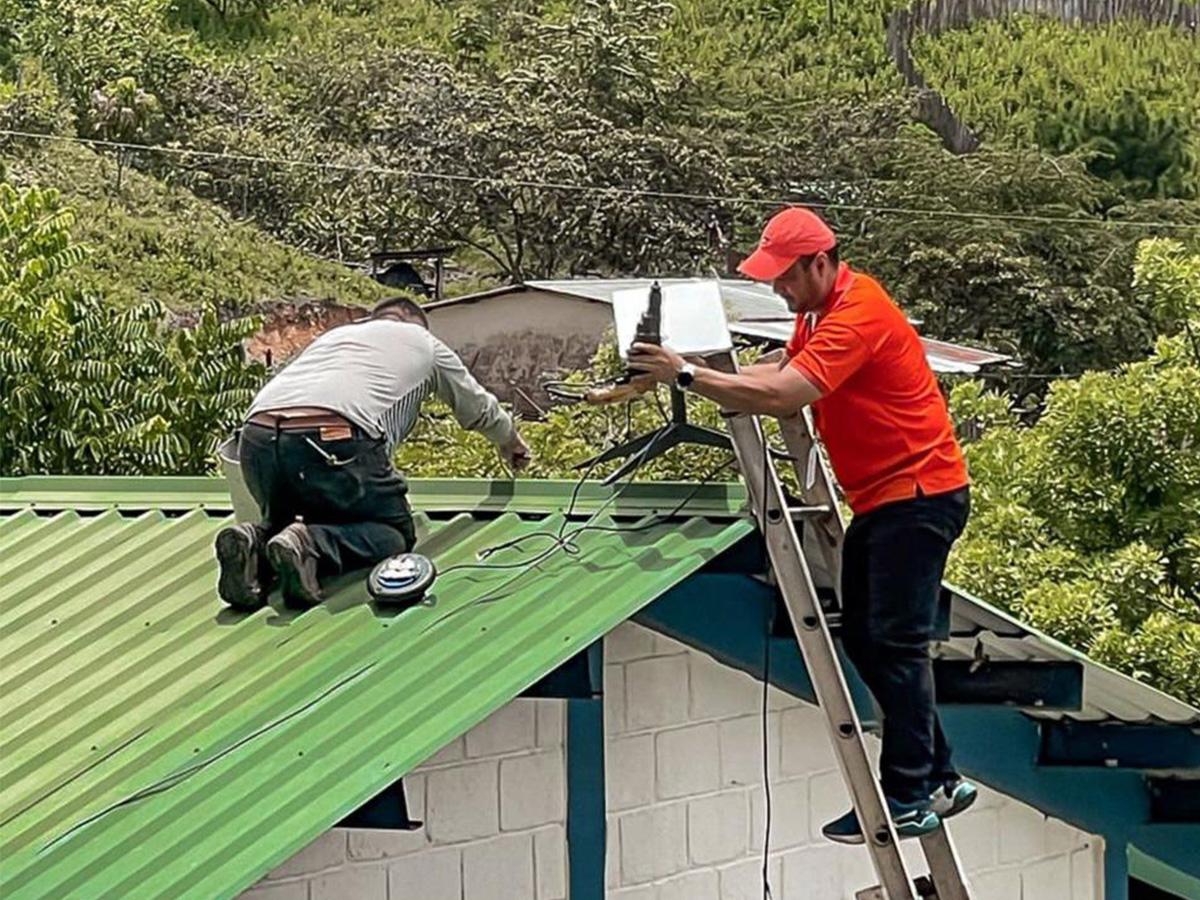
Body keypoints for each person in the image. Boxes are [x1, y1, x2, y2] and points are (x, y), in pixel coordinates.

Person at [628, 207, 976, 842]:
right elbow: (775, 374)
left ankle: (906, 793)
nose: (776, 290)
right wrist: (687, 372)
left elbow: (789, 395)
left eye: (785, 277)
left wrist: (687, 374)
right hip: (884, 499)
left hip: (919, 494)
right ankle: (941, 775)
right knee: (869, 641)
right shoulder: (815, 313)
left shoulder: (858, 311)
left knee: (894, 644)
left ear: (821, 263)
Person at [215, 296, 531, 609]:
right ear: (415, 324)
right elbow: (478, 407)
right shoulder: (424, 342)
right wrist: (510, 441)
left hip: (256, 437)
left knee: (286, 527)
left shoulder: (334, 337)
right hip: (334, 434)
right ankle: (312, 545)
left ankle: (252, 542)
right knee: (393, 534)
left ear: (373, 319)